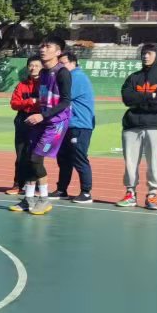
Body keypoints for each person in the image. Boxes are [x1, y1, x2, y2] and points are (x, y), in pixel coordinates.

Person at [15, 35, 72, 215]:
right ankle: (28, 199)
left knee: (36, 159)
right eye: (42, 46)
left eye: (48, 46)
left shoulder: (62, 73)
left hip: (55, 123)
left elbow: (65, 102)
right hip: (42, 120)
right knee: (29, 157)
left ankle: (44, 200)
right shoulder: (44, 73)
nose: (42, 49)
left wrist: (43, 115)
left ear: (58, 52)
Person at [118, 43, 157, 210]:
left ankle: (152, 195)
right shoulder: (133, 77)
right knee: (130, 163)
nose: (145, 56)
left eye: (149, 53)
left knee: (154, 162)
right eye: (143, 53)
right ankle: (130, 193)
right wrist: (150, 96)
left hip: (156, 125)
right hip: (132, 125)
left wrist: (139, 99)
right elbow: (127, 98)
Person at [54, 48, 96, 203]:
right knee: (63, 158)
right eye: (59, 64)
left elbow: (61, 96)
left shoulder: (76, 77)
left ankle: (86, 192)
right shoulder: (69, 76)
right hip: (67, 124)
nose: (61, 67)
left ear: (73, 63)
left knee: (79, 157)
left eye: (63, 63)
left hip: (79, 124)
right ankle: (61, 189)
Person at [6, 56, 41, 196]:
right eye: (31, 65)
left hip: (39, 121)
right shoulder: (21, 85)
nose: (33, 68)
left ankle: (36, 186)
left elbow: (47, 102)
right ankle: (18, 184)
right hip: (22, 120)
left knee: (35, 156)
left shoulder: (45, 85)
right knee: (21, 155)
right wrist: (31, 101)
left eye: (37, 65)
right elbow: (14, 104)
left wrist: (32, 103)